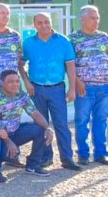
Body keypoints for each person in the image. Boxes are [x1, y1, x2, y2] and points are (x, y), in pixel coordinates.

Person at [21, 12, 81, 170]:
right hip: (36, 89)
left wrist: (72, 89)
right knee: (41, 125)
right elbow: (20, 64)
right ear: (35, 25)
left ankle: (67, 158)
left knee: (61, 124)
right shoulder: (28, 43)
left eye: (46, 22)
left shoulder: (63, 41)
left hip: (57, 89)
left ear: (51, 22)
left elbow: (70, 66)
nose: (44, 25)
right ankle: (45, 157)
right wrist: (26, 82)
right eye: (40, 23)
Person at [0, 70, 55, 176]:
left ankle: (33, 165)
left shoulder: (22, 95)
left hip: (15, 133)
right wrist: (8, 142)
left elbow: (35, 113)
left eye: (17, 81)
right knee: (3, 156)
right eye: (10, 82)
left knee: (41, 130)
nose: (15, 84)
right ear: (2, 83)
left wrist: (48, 128)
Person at [69, 5, 108, 165]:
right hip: (84, 88)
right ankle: (83, 154)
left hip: (104, 88)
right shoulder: (73, 39)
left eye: (97, 17)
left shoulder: (104, 37)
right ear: (83, 19)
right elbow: (69, 65)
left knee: (101, 120)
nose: (96, 21)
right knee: (81, 121)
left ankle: (100, 153)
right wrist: (77, 82)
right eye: (93, 18)